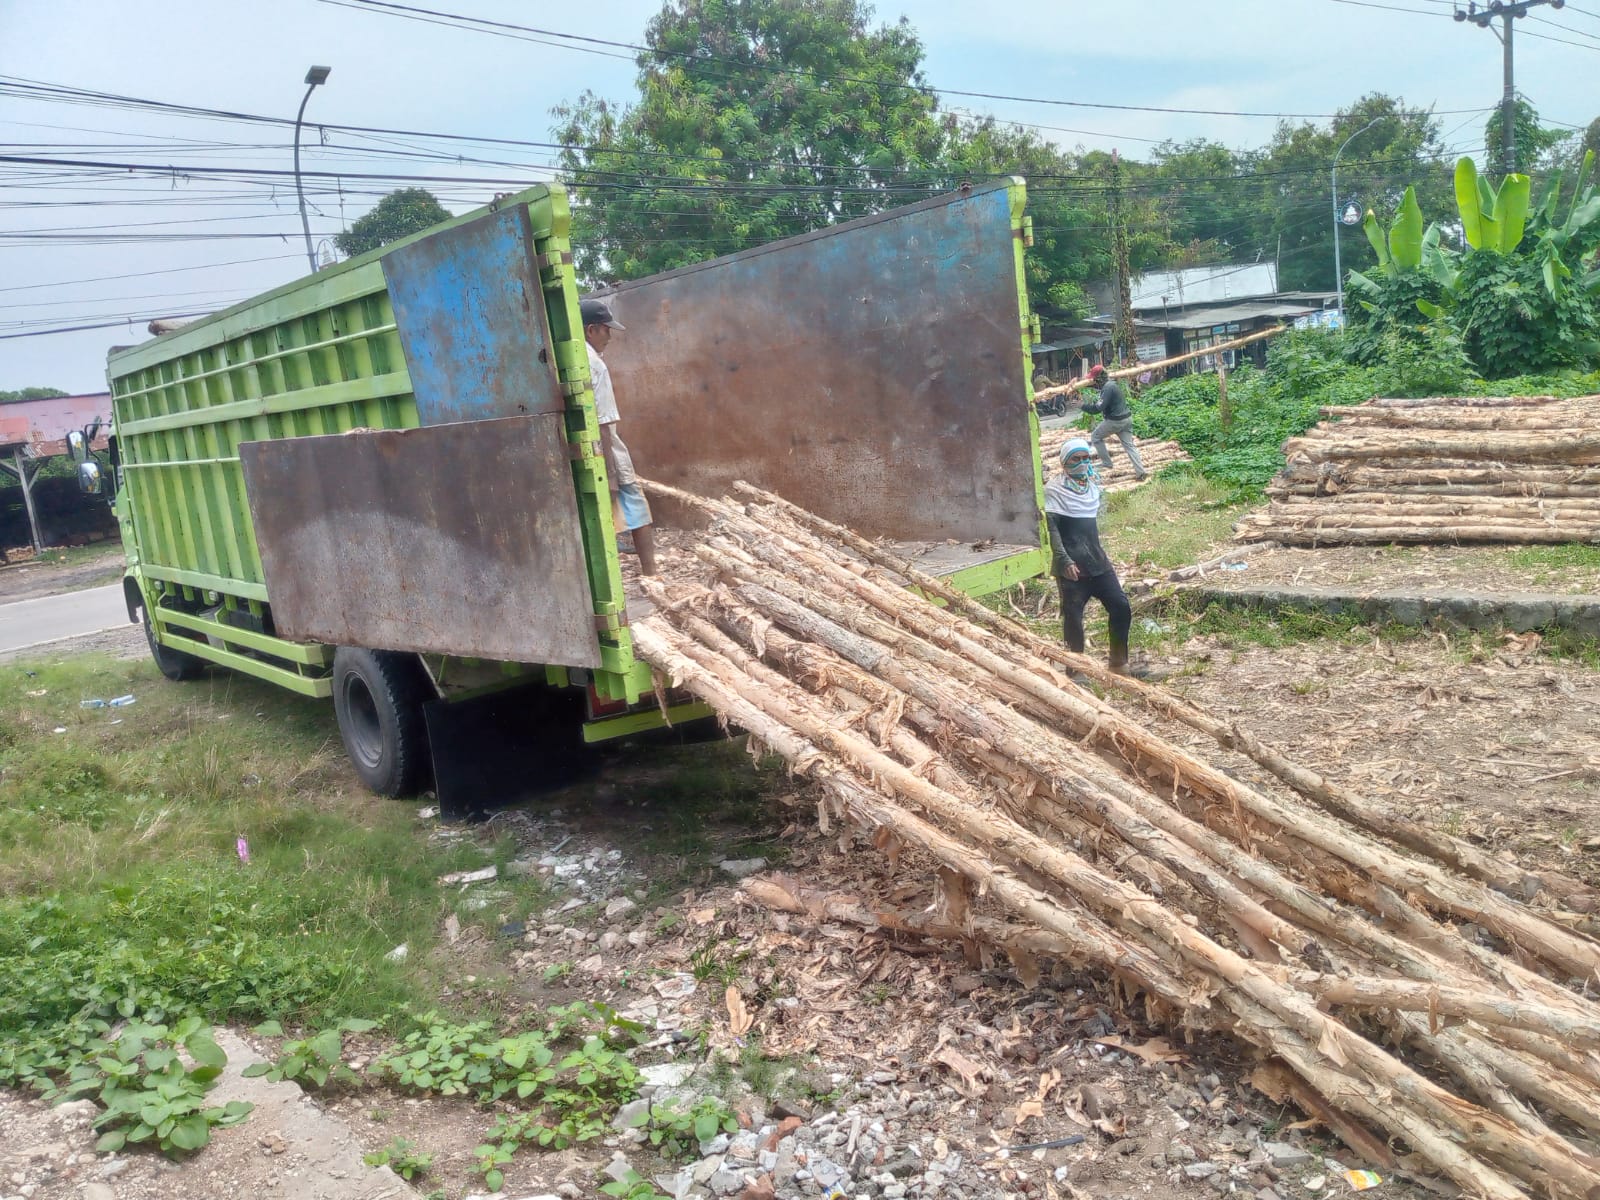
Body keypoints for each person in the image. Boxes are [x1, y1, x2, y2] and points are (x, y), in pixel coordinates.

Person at [1045, 437, 1135, 676]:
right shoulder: (1054, 490)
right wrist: (1064, 560)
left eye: (1086, 458)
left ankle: (1119, 664)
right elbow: (1052, 529)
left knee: (1120, 606)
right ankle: (1076, 671)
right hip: (1072, 568)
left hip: (1097, 562)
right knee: (1073, 618)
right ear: (1064, 461)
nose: (1082, 463)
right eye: (1076, 459)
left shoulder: (1092, 488)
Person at [581, 296, 657, 576]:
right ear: (591, 330)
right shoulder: (595, 365)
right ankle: (651, 573)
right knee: (634, 503)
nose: (610, 337)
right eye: (606, 330)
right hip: (606, 449)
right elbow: (602, 422)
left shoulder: (573, 358)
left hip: (585, 449)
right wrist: (610, 474)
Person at [1080, 364, 1147, 481]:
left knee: (1095, 436)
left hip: (1116, 421)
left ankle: (1107, 463)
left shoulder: (1107, 388)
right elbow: (1098, 389)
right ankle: (1141, 473)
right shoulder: (1111, 385)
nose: (1093, 381)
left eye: (1094, 379)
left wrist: (1082, 406)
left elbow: (1097, 409)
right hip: (1127, 419)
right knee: (1129, 446)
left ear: (1099, 378)